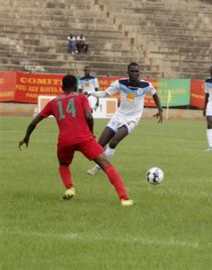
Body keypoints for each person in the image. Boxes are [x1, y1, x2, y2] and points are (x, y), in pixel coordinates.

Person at [18, 75, 133, 206]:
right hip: (84, 138)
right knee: (106, 165)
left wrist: (26, 137)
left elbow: (34, 122)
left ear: (62, 87)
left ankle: (69, 188)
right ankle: (124, 198)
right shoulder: (81, 97)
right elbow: (89, 116)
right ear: (76, 86)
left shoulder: (53, 102)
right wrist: (90, 132)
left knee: (63, 164)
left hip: (65, 141)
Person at [86, 62, 163, 175]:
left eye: (137, 71)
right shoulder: (120, 83)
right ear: (128, 72)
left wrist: (160, 109)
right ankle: (106, 152)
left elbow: (154, 94)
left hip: (132, 119)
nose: (135, 73)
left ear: (139, 72)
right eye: (132, 71)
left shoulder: (146, 85)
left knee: (114, 142)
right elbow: (105, 94)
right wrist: (91, 93)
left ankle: (98, 167)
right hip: (118, 116)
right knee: (100, 144)